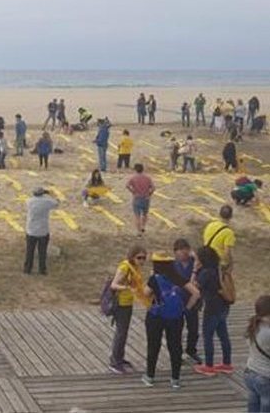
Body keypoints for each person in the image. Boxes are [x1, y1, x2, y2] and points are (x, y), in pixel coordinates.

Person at [141, 252, 200, 389]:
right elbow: (196, 293)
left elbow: (145, 293)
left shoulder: (154, 279)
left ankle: (150, 377)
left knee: (153, 345)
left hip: (156, 315)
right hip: (175, 317)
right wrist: (187, 308)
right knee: (175, 347)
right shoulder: (177, 277)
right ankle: (175, 379)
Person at [193, 245, 233, 376]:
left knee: (208, 336)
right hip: (223, 305)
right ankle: (227, 363)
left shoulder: (205, 273)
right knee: (223, 335)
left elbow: (194, 286)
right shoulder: (217, 268)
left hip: (211, 307)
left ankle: (209, 365)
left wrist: (194, 271)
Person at [109, 245, 149, 374]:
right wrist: (127, 288)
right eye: (139, 258)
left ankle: (119, 358)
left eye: (144, 258)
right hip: (121, 303)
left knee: (124, 332)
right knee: (121, 333)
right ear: (132, 257)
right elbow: (114, 285)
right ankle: (115, 362)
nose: (142, 261)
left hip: (128, 302)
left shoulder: (135, 267)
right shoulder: (125, 267)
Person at [172, 239, 202, 364]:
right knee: (177, 328)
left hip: (192, 299)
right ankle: (177, 353)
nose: (184, 255)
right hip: (177, 299)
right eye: (181, 253)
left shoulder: (195, 264)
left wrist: (195, 258)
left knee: (193, 328)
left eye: (186, 252)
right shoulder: (172, 265)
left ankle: (191, 350)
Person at [244, 295, 270, 412]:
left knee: (253, 405)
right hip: (264, 377)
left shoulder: (253, 326)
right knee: (267, 407)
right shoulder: (268, 333)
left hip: (250, 373)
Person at [23, 187, 58, 275]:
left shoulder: (29, 201)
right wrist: (50, 194)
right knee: (42, 252)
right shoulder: (47, 201)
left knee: (29, 251)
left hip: (31, 230)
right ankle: (42, 269)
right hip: (43, 230)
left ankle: (27, 269)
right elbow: (56, 203)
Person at [202, 205, 235, 272]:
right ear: (231, 216)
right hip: (218, 260)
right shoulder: (228, 232)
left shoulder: (210, 225)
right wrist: (230, 263)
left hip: (205, 256)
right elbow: (227, 252)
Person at [126, 163, 155, 237]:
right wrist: (149, 194)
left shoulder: (133, 178)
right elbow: (153, 187)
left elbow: (127, 185)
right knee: (145, 214)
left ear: (135, 170)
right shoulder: (147, 178)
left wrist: (132, 191)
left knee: (137, 216)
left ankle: (139, 232)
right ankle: (143, 227)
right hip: (146, 198)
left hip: (137, 198)